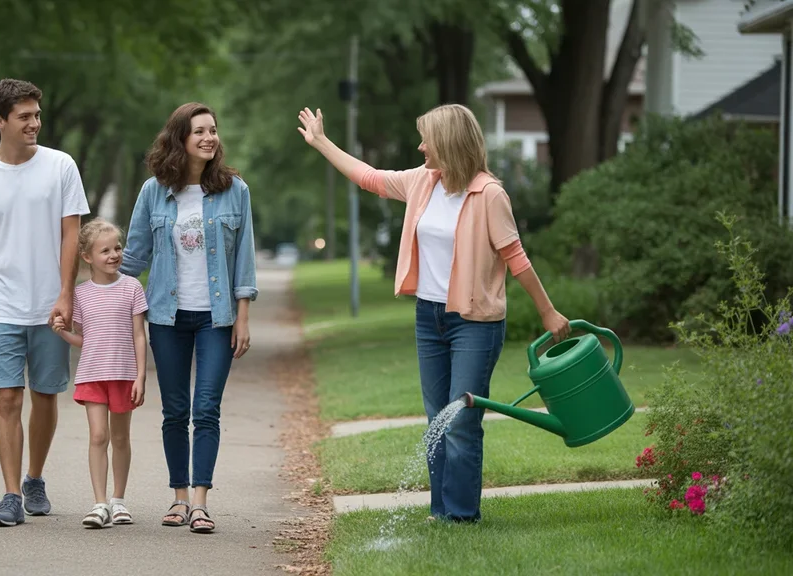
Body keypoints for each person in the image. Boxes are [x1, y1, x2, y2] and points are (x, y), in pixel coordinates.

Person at [296, 104, 570, 524]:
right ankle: (440, 513)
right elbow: (368, 177)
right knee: (436, 421)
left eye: (428, 139)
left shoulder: (489, 193)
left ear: (449, 144)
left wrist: (548, 312)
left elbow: (517, 259)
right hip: (429, 317)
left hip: (475, 323)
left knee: (459, 419)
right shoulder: (423, 183)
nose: (421, 146)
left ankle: (461, 516)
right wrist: (320, 142)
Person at [0, 78, 90, 527]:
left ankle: (34, 478)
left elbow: (72, 233)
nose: (34, 124)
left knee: (45, 395)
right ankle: (10, 494)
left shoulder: (61, 166)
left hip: (50, 304)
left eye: (37, 115)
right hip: (0, 304)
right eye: (24, 116)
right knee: (7, 397)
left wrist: (66, 293)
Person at [120, 102, 257, 534]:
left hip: (216, 318)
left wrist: (243, 317)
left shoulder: (236, 190)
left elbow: (245, 261)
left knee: (207, 409)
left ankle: (200, 502)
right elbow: (134, 256)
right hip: (166, 315)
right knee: (175, 411)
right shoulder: (153, 191)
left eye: (213, 130)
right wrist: (98, 298)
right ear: (180, 138)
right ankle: (178, 499)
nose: (208, 138)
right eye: (199, 131)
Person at [51, 218, 148, 529]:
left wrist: (141, 375)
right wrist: (65, 334)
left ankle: (119, 501)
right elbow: (86, 338)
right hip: (92, 374)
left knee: (120, 437)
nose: (113, 255)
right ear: (88, 257)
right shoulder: (81, 294)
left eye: (117, 248)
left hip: (123, 375)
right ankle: (99, 503)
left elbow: (138, 335)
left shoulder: (132, 287)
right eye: (105, 250)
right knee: (98, 436)